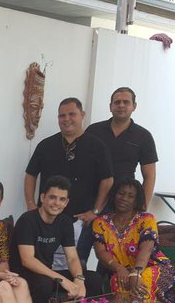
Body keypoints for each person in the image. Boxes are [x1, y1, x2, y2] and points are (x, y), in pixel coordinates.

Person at [24, 97, 113, 263]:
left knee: (76, 265)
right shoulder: (46, 145)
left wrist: (95, 211)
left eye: (72, 114)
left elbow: (107, 180)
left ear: (82, 115)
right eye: (62, 115)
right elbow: (30, 174)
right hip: (46, 219)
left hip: (81, 221)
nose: (66, 119)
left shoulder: (97, 146)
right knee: (41, 264)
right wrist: (30, 204)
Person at [11, 175, 101, 303]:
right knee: (44, 284)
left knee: (93, 279)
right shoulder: (27, 220)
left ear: (66, 202)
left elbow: (72, 258)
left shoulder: (65, 222)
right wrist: (62, 280)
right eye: (52, 197)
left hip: (47, 273)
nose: (57, 203)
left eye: (62, 199)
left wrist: (79, 279)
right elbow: (27, 260)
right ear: (43, 197)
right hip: (24, 275)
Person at [93, 179, 175, 303]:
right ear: (114, 195)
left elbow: (146, 249)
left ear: (136, 201)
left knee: (144, 279)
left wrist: (136, 273)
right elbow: (100, 252)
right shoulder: (101, 222)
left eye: (131, 196)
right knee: (117, 281)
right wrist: (119, 269)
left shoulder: (146, 219)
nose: (124, 198)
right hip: (124, 269)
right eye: (121, 193)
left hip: (154, 267)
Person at [86, 87, 158, 209]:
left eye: (126, 102)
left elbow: (149, 176)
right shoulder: (93, 131)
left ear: (134, 106)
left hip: (124, 202)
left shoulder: (143, 136)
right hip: (91, 199)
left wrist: (141, 208)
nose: (121, 105)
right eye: (117, 102)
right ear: (110, 106)